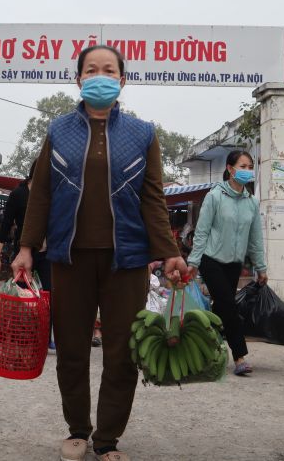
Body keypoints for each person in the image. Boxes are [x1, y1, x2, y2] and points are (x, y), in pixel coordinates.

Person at [13, 45, 186, 461]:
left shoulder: (142, 134)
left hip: (126, 260)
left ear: (123, 80)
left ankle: (107, 438)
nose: (100, 75)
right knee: (71, 349)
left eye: (109, 70)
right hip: (69, 258)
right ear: (78, 79)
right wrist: (25, 247)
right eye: (91, 70)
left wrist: (170, 253)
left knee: (122, 352)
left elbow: (152, 199)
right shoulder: (58, 130)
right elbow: (41, 195)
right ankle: (77, 430)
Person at [187, 150, 267, 377]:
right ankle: (240, 356)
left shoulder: (251, 202)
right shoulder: (214, 197)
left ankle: (203, 348)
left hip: (234, 264)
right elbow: (201, 232)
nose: (247, 170)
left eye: (250, 166)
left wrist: (261, 267)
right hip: (211, 260)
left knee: (221, 309)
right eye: (243, 166)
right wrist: (193, 262)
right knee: (228, 305)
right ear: (230, 169)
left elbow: (255, 239)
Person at [0, 161, 35, 276]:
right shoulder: (18, 194)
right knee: (23, 289)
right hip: (22, 249)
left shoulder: (49, 193)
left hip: (46, 252)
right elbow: (5, 225)